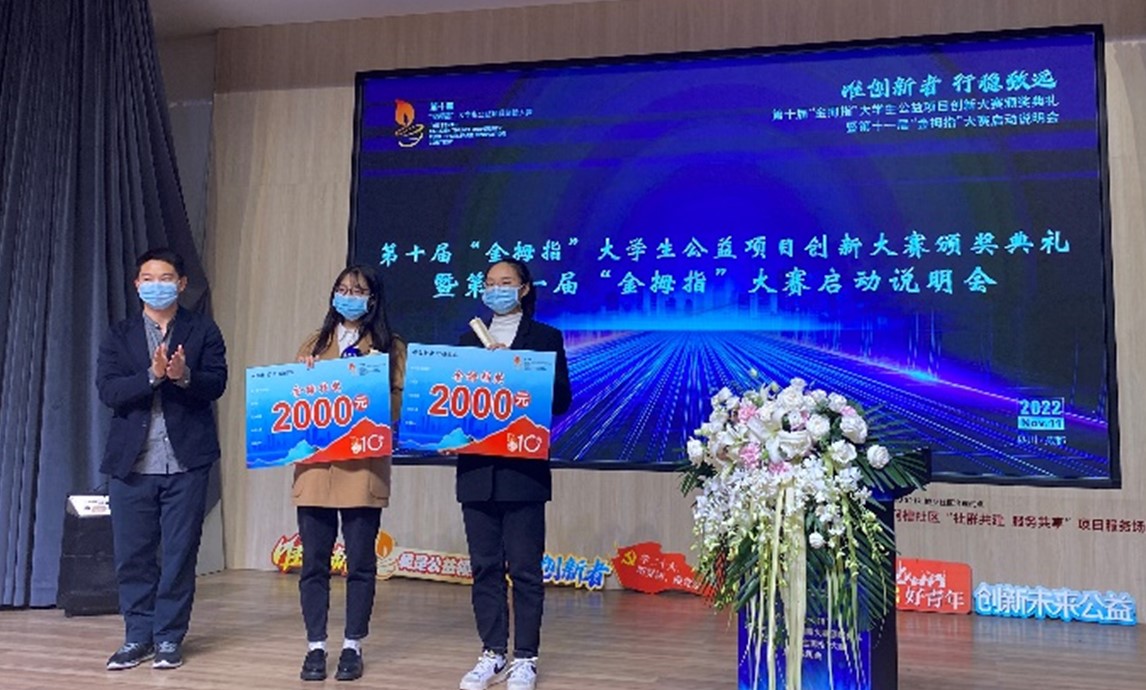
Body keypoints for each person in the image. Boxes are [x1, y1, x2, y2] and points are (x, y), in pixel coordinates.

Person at [97, 248, 228, 671]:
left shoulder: (202, 330)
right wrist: (152, 377)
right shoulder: (119, 335)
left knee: (179, 555)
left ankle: (169, 637)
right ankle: (138, 636)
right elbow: (109, 391)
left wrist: (183, 376)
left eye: (166, 278)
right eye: (149, 279)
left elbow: (217, 383)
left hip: (186, 462)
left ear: (182, 284)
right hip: (131, 464)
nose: (157, 286)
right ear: (137, 285)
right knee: (132, 556)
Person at [456, 258, 572, 690]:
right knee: (484, 567)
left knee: (524, 569)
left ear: (524, 288)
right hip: (477, 472)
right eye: (489, 283)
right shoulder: (467, 341)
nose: (496, 289)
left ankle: (525, 657)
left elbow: (561, 401)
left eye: (505, 282)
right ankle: (491, 653)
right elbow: (453, 405)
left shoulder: (545, 338)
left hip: (523, 472)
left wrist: (518, 369)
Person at [294, 265, 406, 682]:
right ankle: (315, 646)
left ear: (372, 299)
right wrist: (303, 379)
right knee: (313, 562)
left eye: (358, 291)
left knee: (360, 562)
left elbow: (399, 406)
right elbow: (293, 402)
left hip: (362, 468)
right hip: (315, 468)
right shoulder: (314, 343)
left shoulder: (391, 347)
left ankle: (353, 645)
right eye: (342, 289)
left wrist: (368, 390)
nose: (348, 297)